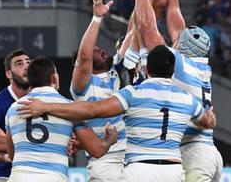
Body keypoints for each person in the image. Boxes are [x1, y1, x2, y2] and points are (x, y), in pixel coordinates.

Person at [18, 45, 217, 182]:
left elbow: (92, 110)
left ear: (147, 69)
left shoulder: (133, 93)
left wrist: (46, 107)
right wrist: (210, 118)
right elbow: (207, 121)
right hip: (173, 170)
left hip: (140, 168)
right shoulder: (187, 99)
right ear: (173, 72)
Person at [131, 0, 223, 182]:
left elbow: (147, 28)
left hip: (193, 152)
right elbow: (177, 27)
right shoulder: (198, 64)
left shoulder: (180, 65)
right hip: (207, 150)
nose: (175, 37)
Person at [5, 57, 118, 182]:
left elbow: (12, 154)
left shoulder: (13, 109)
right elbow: (97, 150)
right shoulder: (69, 108)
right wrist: (110, 139)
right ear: (54, 77)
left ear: (29, 81)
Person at [70, 0, 127, 182]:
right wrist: (96, 18)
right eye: (96, 50)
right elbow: (84, 57)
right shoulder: (81, 85)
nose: (101, 49)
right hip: (105, 161)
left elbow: (134, 31)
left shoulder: (115, 72)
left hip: (131, 157)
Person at [0, 50, 31, 182]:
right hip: (2, 174)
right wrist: (8, 156)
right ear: (8, 73)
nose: (26, 66)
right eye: (19, 64)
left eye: (28, 62)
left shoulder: (41, 98)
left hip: (33, 172)